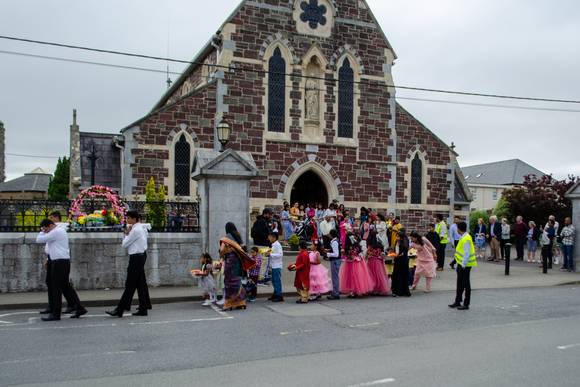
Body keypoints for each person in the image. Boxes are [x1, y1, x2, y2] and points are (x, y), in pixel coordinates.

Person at [36, 219, 87, 321]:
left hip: (59, 262)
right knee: (66, 286)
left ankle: (56, 313)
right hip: (62, 262)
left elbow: (38, 240)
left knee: (56, 288)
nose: (46, 232)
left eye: (46, 229)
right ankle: (80, 307)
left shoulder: (56, 231)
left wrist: (42, 232)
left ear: (50, 226)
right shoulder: (60, 230)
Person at [106, 210, 150, 317]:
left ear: (134, 219)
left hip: (136, 257)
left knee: (130, 284)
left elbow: (125, 243)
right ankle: (143, 308)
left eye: (129, 218)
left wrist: (126, 233)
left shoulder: (135, 230)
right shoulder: (140, 228)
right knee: (139, 283)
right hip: (140, 256)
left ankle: (120, 309)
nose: (128, 220)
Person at [39, 211, 76, 316]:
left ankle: (67, 305)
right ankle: (53, 306)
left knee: (60, 285)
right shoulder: (52, 230)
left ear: (56, 219)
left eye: (52, 217)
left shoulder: (58, 230)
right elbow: (50, 245)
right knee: (51, 283)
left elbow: (42, 240)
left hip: (58, 259)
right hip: (52, 257)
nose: (50, 219)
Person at [218, 222, 256, 311]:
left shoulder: (226, 238)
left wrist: (222, 256)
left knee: (229, 282)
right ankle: (240, 302)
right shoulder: (236, 238)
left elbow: (222, 250)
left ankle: (228, 304)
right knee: (237, 280)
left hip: (229, 262)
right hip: (237, 263)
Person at [449, 221, 476, 310]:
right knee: (460, 283)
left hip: (465, 265)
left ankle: (466, 303)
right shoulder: (464, 237)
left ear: (458, 229)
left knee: (465, 284)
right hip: (461, 264)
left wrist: (463, 265)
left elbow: (466, 253)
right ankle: (457, 301)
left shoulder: (466, 239)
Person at [338, 232, 374, 298]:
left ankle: (353, 292)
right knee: (357, 277)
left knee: (352, 277)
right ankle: (356, 291)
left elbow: (351, 256)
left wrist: (346, 253)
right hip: (358, 260)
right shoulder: (356, 244)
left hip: (353, 262)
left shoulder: (350, 246)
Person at [251, 208, 272, 286]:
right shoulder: (262, 222)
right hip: (262, 244)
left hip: (261, 244)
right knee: (264, 262)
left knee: (262, 261)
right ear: (265, 214)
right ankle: (260, 279)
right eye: (269, 214)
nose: (270, 216)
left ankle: (261, 277)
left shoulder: (260, 221)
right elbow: (258, 232)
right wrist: (266, 236)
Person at [366, 231, 390, 295]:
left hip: (372, 260)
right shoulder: (379, 244)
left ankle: (373, 289)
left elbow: (375, 254)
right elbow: (379, 254)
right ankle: (378, 289)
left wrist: (369, 253)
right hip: (378, 261)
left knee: (372, 275)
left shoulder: (371, 244)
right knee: (379, 275)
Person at [391, 231, 411, 297]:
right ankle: (395, 290)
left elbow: (402, 254)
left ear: (402, 238)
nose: (396, 238)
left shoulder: (403, 244)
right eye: (396, 236)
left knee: (401, 276)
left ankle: (400, 291)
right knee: (396, 275)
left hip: (402, 261)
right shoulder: (396, 243)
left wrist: (396, 255)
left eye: (398, 237)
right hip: (397, 260)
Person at [265, 232, 284, 302]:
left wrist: (271, 254)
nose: (269, 238)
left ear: (274, 238)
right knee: (273, 280)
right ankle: (276, 293)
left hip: (277, 265)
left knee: (277, 280)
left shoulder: (277, 245)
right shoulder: (273, 245)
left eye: (270, 237)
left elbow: (280, 254)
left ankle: (279, 294)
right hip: (274, 265)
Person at [325, 229, 342, 300]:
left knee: (335, 277)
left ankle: (336, 293)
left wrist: (328, 254)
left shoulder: (334, 242)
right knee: (335, 277)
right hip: (335, 260)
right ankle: (335, 292)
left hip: (335, 260)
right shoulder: (334, 241)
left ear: (331, 235)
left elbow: (336, 254)